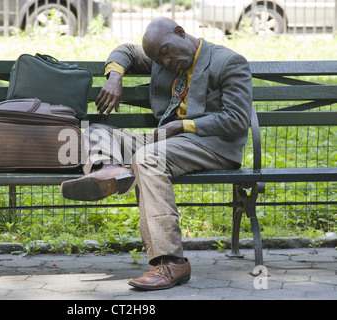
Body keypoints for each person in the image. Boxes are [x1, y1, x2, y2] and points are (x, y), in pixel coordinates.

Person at [61, 17, 253, 291]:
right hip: (169, 140)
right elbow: (125, 51)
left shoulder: (228, 62)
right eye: (158, 59)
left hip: (212, 145)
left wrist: (185, 124)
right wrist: (115, 76)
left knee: (148, 159)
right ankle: (108, 170)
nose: (164, 62)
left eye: (165, 53)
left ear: (180, 32)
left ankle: (172, 262)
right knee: (96, 131)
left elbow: (237, 119)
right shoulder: (159, 56)